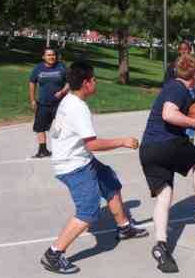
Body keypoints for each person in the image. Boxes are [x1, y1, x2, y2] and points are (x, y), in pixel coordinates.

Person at [40, 61, 148, 274]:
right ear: (86, 83)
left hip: (78, 158)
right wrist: (122, 141)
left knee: (109, 181)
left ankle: (124, 227)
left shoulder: (69, 99)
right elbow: (92, 144)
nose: (96, 81)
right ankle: (53, 254)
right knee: (88, 212)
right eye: (94, 79)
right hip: (73, 165)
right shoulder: (78, 108)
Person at [140, 54, 195, 273]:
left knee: (164, 196)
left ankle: (161, 246)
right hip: (166, 144)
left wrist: (192, 124)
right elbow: (169, 114)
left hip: (148, 150)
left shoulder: (173, 87)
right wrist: (194, 122)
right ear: (194, 74)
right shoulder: (178, 88)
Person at [163, 41, 195, 143]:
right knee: (179, 121)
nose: (183, 51)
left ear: (189, 50)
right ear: (178, 51)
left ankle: (189, 143)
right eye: (181, 49)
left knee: (191, 119)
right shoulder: (173, 66)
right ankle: (178, 142)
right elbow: (166, 84)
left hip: (192, 97)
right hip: (179, 98)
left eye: (185, 49)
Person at [29, 48, 69, 158]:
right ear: (43, 57)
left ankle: (64, 149)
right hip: (43, 103)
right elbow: (32, 84)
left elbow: (69, 82)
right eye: (48, 55)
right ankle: (43, 150)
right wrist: (32, 100)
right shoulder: (38, 68)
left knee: (62, 127)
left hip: (59, 104)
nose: (51, 57)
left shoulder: (61, 67)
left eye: (53, 55)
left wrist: (62, 92)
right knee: (39, 127)